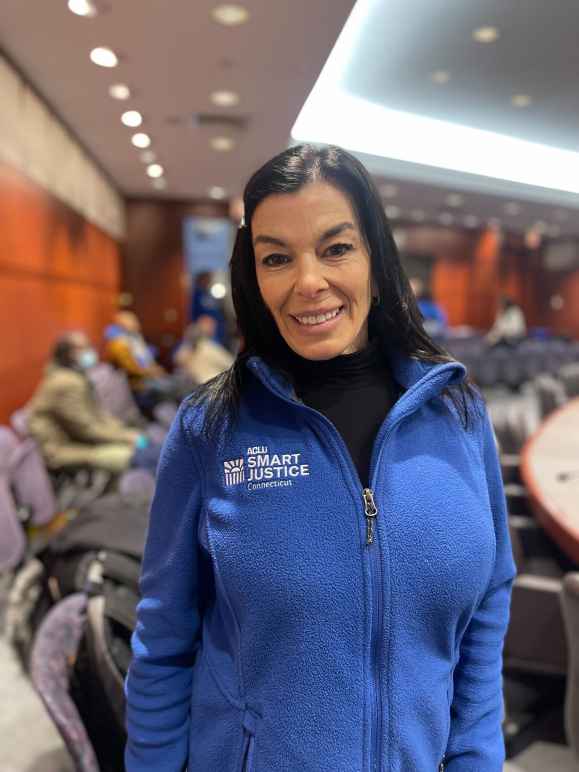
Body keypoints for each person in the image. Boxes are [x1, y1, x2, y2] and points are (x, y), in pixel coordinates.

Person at [125, 145, 515, 771]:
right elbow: (162, 642)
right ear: (254, 276)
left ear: (376, 260)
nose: (309, 282)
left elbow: (488, 601)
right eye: (277, 258)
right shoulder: (210, 428)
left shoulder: (458, 416)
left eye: (336, 248)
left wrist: (475, 754)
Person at [27, 331, 156, 474]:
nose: (90, 351)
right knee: (144, 457)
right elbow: (86, 430)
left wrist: (125, 432)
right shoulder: (66, 382)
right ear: (68, 354)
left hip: (79, 442)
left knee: (149, 447)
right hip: (65, 451)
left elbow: (97, 416)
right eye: (84, 348)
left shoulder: (73, 377)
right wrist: (127, 437)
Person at [173, 315, 234, 386]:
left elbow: (229, 363)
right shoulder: (192, 346)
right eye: (207, 325)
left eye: (211, 326)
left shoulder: (211, 345)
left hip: (212, 382)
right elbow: (178, 360)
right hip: (203, 384)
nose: (211, 328)